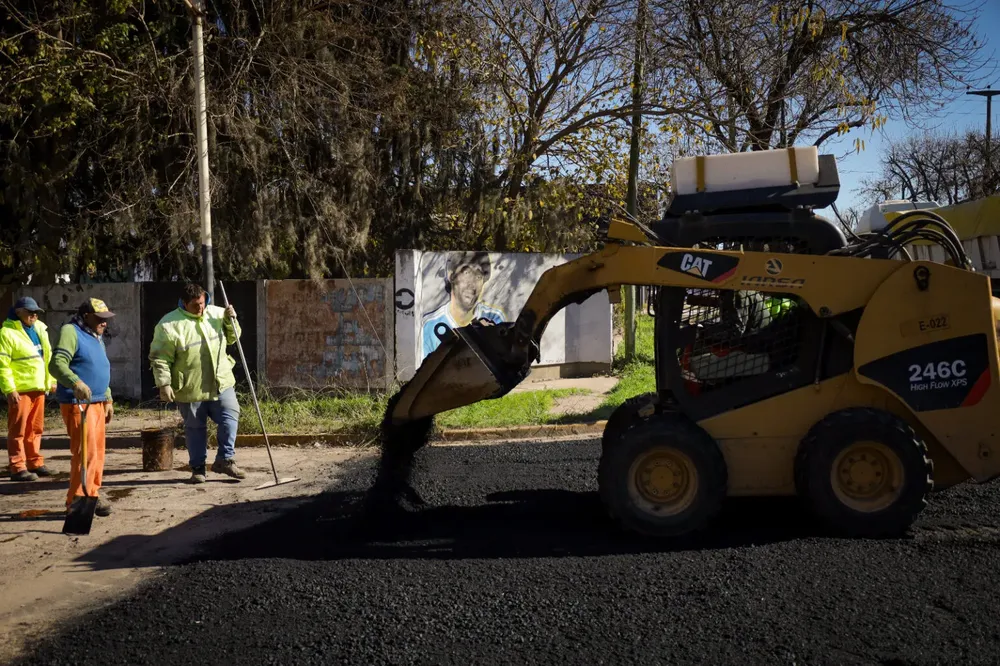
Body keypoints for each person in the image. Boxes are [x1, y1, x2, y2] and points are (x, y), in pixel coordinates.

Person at [149, 283, 245, 484]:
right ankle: (198, 468)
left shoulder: (218, 313)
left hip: (221, 382)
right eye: (195, 305)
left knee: (230, 417)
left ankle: (225, 459)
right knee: (195, 429)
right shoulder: (169, 324)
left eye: (202, 303)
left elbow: (233, 338)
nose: (201, 308)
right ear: (184, 303)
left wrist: (231, 321)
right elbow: (160, 358)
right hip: (190, 387)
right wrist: (164, 383)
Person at [49, 298, 115, 517]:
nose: (104, 323)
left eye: (106, 319)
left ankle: (92, 493)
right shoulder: (71, 331)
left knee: (97, 454)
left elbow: (101, 367)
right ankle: (77, 502)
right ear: (86, 316)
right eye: (100, 318)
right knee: (84, 454)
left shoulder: (95, 335)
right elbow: (56, 364)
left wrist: (107, 398)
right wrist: (75, 383)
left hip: (97, 402)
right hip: (79, 403)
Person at [0, 296, 56, 482]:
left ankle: (34, 462)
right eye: (30, 312)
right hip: (20, 390)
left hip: (38, 387)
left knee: (35, 428)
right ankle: (17, 467)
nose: (34, 315)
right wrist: (10, 389)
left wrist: (51, 380)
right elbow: (2, 364)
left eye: (36, 312)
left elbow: (47, 358)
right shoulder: (7, 333)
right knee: (18, 430)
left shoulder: (39, 329)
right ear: (18, 312)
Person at [420, 252, 505, 360]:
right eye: (466, 273)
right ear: (451, 276)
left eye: (478, 277)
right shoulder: (430, 326)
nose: (472, 284)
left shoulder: (495, 318)